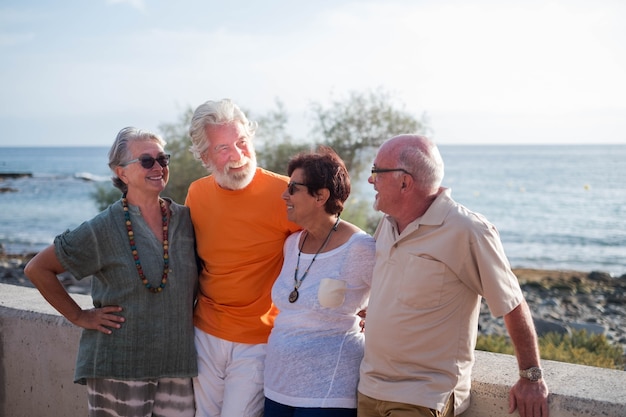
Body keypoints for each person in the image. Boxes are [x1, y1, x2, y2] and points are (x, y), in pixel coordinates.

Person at [357, 134, 550, 417]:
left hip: (422, 396)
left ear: (404, 182)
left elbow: (512, 303)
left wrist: (531, 377)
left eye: (376, 172)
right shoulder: (387, 223)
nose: (370, 180)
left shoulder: (468, 230)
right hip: (370, 388)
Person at [24, 127, 198, 417]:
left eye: (162, 159)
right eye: (146, 161)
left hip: (177, 365)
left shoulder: (185, 220)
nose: (158, 167)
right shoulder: (103, 227)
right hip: (120, 364)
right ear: (122, 172)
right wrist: (79, 315)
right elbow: (37, 269)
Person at [186, 98, 301, 417]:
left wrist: (359, 303)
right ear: (204, 156)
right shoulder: (197, 193)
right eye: (222, 148)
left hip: (259, 338)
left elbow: (333, 238)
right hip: (204, 333)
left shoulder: (286, 194)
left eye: (241, 142)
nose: (236, 156)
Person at [263, 147, 376, 417]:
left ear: (321, 196)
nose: (284, 195)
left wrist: (372, 315)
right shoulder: (291, 244)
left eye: (293, 188)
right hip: (277, 385)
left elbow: (396, 299)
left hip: (327, 393)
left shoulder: (359, 247)